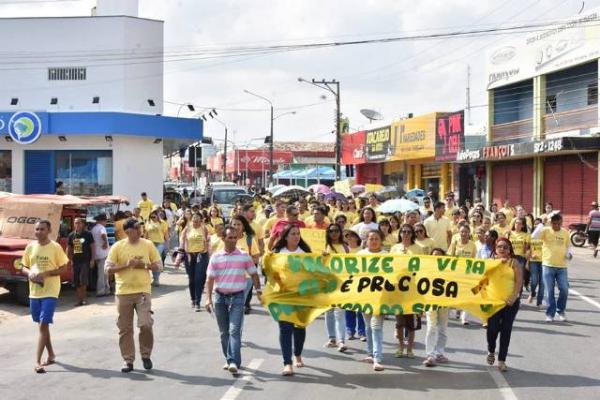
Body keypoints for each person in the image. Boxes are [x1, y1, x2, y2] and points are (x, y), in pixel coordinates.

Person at [104, 218, 161, 373]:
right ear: (128, 231)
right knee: (125, 328)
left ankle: (146, 354)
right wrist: (126, 265)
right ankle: (128, 360)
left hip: (142, 291)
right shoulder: (118, 246)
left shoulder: (147, 245)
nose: (140, 230)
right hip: (123, 292)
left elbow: (159, 265)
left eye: (140, 227)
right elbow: (107, 269)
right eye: (137, 228)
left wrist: (144, 265)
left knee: (145, 324)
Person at [205, 225, 262, 375]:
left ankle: (233, 361)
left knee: (234, 330)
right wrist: (208, 299)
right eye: (230, 237)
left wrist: (259, 291)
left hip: (237, 296)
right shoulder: (215, 257)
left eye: (235, 237)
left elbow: (254, 274)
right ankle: (229, 358)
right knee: (224, 332)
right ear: (223, 238)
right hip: (220, 298)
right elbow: (210, 280)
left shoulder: (244, 256)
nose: (233, 240)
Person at [19, 220, 69, 373]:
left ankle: (37, 362)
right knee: (42, 326)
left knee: (43, 325)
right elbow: (23, 266)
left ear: (49, 230)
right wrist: (30, 274)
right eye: (37, 229)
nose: (39, 232)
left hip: (51, 291)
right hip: (34, 291)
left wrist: (48, 273)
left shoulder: (55, 247)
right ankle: (51, 354)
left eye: (42, 229)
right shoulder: (30, 247)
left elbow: (64, 268)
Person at [272, 225, 312, 376]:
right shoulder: (277, 253)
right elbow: (271, 273)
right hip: (283, 297)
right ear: (286, 237)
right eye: (293, 234)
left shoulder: (306, 253)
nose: (296, 236)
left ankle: (298, 354)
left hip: (301, 297)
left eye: (298, 234)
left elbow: (314, 272)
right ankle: (287, 363)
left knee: (299, 328)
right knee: (285, 328)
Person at [486, 238, 523, 372]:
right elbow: (480, 277)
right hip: (493, 303)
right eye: (499, 247)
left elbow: (519, 281)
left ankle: (502, 360)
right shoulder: (489, 262)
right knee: (492, 329)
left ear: (510, 250)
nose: (502, 249)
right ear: (495, 249)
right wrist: (495, 264)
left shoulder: (514, 262)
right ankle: (491, 350)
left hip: (510, 302)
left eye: (505, 247)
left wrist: (514, 296)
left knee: (506, 329)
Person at [390, 224, 424, 358]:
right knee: (399, 322)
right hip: (398, 289)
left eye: (408, 232)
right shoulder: (394, 248)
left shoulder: (418, 249)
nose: (405, 234)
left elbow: (422, 267)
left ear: (412, 234)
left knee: (411, 322)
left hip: (412, 289)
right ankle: (400, 346)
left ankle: (410, 348)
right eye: (403, 232)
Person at [532, 213, 571, 322]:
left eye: (559, 224)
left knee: (564, 289)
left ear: (561, 223)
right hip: (548, 265)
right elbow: (533, 236)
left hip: (562, 266)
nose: (556, 226)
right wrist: (542, 224)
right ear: (551, 223)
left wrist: (569, 254)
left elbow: (568, 246)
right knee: (549, 292)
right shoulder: (546, 230)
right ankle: (550, 314)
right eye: (554, 224)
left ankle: (561, 310)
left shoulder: (565, 233)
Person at [359, 230, 387, 371]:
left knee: (376, 326)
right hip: (365, 297)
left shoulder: (387, 256)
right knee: (368, 326)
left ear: (380, 240)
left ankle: (377, 358)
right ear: (367, 240)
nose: (374, 241)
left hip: (380, 297)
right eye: (371, 238)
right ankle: (370, 353)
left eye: (376, 238)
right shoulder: (360, 255)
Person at [323, 223, 349, 352]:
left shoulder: (345, 247)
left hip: (342, 283)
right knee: (329, 311)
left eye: (337, 231)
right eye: (331, 231)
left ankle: (341, 340)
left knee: (340, 312)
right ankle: (332, 338)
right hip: (328, 282)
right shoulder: (324, 247)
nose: (334, 233)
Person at [423, 247, 451, 367]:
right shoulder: (426, 270)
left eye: (439, 255)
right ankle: (430, 354)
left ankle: (439, 353)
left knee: (443, 328)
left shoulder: (449, 270)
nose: (436, 257)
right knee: (431, 327)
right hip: (430, 302)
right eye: (434, 255)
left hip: (444, 302)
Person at [449, 225, 477, 325]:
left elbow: (474, 259)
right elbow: (450, 256)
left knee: (466, 294)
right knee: (457, 293)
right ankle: (457, 309)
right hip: (456, 272)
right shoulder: (455, 243)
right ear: (459, 233)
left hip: (468, 273)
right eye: (462, 232)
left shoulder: (473, 245)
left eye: (466, 232)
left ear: (469, 233)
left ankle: (464, 317)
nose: (464, 234)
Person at [181, 213, 209, 311]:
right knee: (191, 279)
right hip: (189, 256)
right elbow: (182, 239)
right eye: (194, 221)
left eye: (197, 221)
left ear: (201, 221)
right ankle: (193, 299)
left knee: (199, 279)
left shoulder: (204, 228)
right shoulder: (187, 228)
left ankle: (198, 302)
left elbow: (208, 240)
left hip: (201, 255)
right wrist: (182, 252)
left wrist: (205, 250)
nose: (195, 223)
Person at [342, 229, 366, 341]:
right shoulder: (344, 250)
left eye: (351, 236)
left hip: (360, 281)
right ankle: (350, 330)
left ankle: (362, 332)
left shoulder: (363, 250)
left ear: (357, 237)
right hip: (347, 281)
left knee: (361, 308)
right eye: (346, 236)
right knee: (349, 307)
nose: (349, 238)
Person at [67, 218, 95, 306]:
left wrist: (92, 259)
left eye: (79, 223)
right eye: (75, 223)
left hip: (85, 261)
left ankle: (84, 299)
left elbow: (93, 247)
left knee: (83, 281)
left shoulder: (88, 234)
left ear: (83, 224)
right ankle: (79, 300)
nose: (77, 225)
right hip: (75, 261)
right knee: (76, 282)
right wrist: (68, 260)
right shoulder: (71, 235)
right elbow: (69, 248)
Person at [144, 208, 168, 286]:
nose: (153, 218)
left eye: (154, 217)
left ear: (158, 216)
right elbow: (146, 234)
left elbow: (166, 234)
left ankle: (156, 279)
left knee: (155, 259)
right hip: (150, 244)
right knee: (153, 262)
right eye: (151, 217)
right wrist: (143, 242)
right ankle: (155, 278)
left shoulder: (163, 223)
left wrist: (167, 245)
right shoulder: (148, 223)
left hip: (160, 243)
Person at [508, 217, 531, 291]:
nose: (517, 225)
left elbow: (526, 249)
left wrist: (527, 260)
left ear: (523, 226)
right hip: (510, 257)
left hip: (520, 258)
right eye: (516, 223)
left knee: (519, 277)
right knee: (510, 277)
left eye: (519, 223)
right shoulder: (509, 233)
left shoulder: (526, 235)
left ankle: (518, 295)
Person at [91, 213, 111, 297]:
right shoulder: (102, 228)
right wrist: (106, 243)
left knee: (103, 272)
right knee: (103, 273)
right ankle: (101, 290)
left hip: (97, 253)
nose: (106, 222)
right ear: (102, 220)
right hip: (103, 253)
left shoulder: (93, 228)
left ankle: (106, 290)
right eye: (105, 220)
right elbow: (103, 234)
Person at [528, 218, 544, 307]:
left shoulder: (545, 237)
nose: (537, 226)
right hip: (533, 261)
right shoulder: (531, 237)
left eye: (539, 225)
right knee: (534, 281)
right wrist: (530, 256)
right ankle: (532, 292)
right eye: (535, 224)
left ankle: (539, 302)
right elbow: (527, 249)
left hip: (544, 262)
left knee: (542, 282)